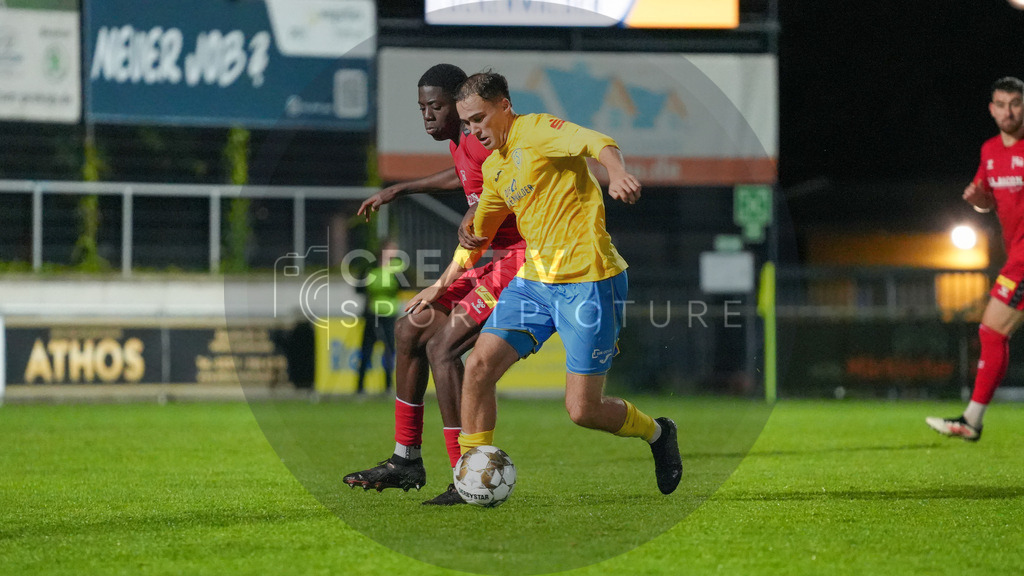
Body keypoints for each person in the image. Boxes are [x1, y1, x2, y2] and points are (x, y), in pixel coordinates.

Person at [406, 71, 683, 495]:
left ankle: (658, 433)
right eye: (467, 125)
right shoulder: (497, 169)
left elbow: (598, 141)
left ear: (504, 105)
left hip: (590, 282)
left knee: (582, 410)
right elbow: (477, 237)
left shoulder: (537, 130)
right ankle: (470, 479)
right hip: (534, 283)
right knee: (478, 367)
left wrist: (617, 174)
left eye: (479, 119)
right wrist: (440, 285)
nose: (474, 131)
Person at [343, 64, 526, 505]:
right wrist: (399, 189)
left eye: (435, 106)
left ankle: (463, 475)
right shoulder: (460, 142)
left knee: (441, 346)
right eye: (422, 107)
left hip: (516, 260)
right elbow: (463, 182)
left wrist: (475, 215)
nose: (427, 115)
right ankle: (405, 458)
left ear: (458, 104)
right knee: (410, 328)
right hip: (487, 260)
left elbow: (491, 197)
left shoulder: (482, 140)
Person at [927, 76, 1024, 442]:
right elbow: (988, 201)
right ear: (991, 109)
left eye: (1015, 103)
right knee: (993, 332)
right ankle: (971, 420)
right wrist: (978, 198)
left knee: (991, 330)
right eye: (1001, 104)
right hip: (1016, 253)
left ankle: (971, 420)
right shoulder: (990, 150)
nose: (1008, 111)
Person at [356, 239, 401, 393]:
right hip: (372, 313)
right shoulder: (370, 268)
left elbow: (406, 285)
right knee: (366, 349)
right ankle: (360, 386)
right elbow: (359, 288)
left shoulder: (398, 269)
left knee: (389, 349)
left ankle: (388, 386)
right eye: (390, 249)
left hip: (389, 314)